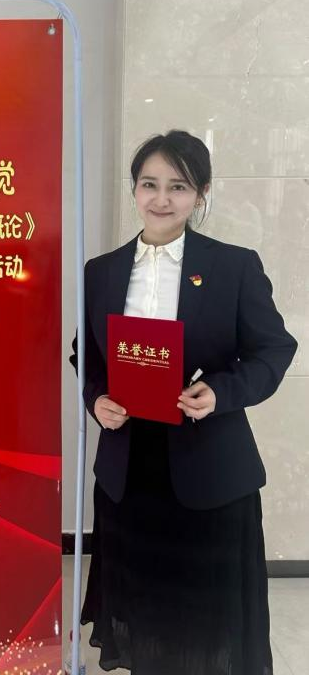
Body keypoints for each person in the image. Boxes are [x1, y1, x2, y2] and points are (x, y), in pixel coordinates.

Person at [70, 130, 297, 675]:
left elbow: (273, 349)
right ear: (134, 189)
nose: (161, 199)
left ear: (201, 194)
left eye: (178, 186)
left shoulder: (233, 266)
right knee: (145, 600)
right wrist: (97, 398)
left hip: (208, 463)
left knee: (205, 612)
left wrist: (220, 392)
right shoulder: (102, 271)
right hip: (130, 466)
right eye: (149, 184)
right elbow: (87, 353)